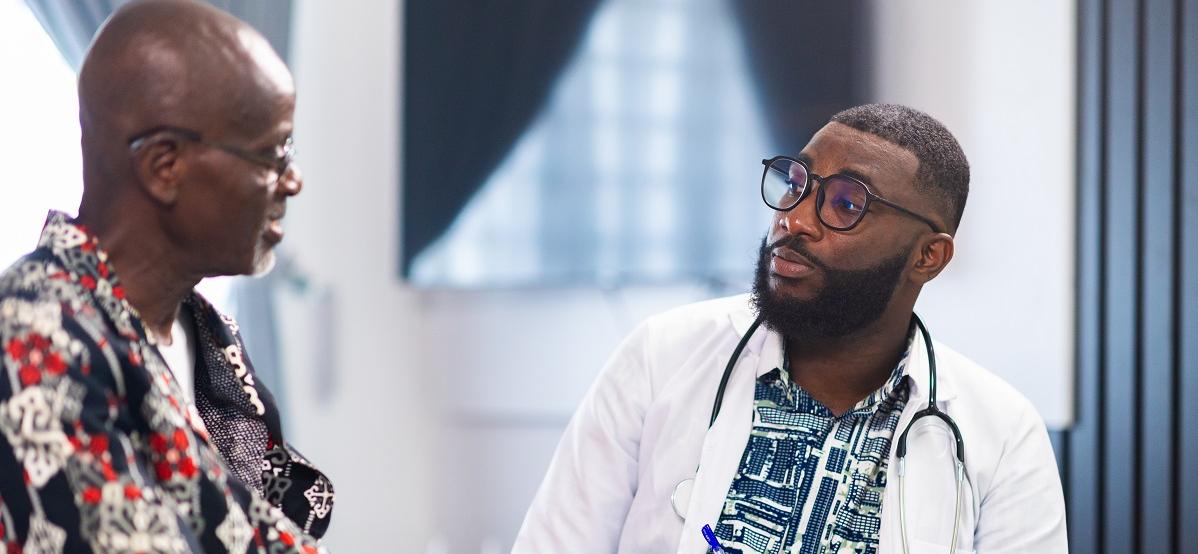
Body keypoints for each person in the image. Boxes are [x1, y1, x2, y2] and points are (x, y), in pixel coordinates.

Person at [515, 104, 1067, 553]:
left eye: (846, 203)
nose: (794, 218)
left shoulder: (1004, 434)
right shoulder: (662, 357)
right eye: (796, 184)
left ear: (928, 256)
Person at [0, 1, 333, 551]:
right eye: (272, 155)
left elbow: (280, 523)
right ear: (165, 167)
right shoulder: (36, 341)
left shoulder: (205, 335)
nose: (291, 181)